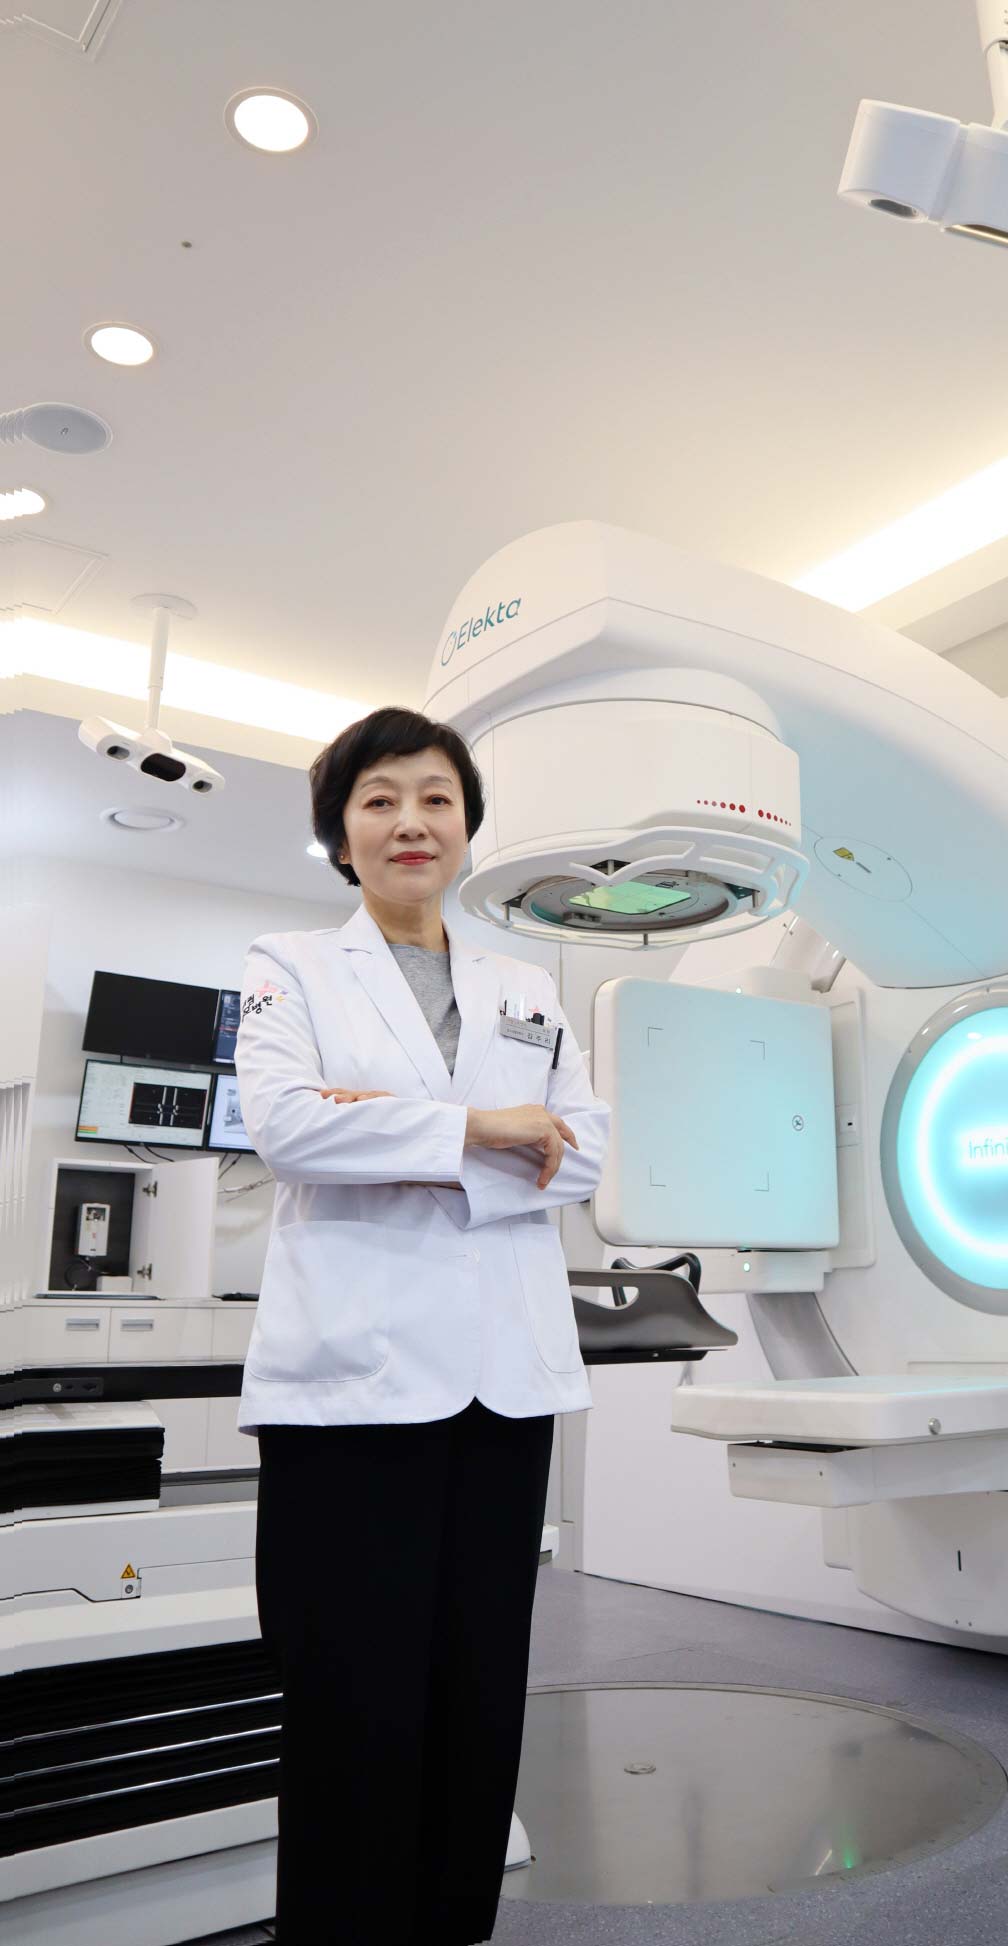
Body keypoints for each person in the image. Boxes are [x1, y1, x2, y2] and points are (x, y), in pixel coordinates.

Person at [234, 704, 611, 1946]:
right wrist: (481, 1128)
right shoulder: (289, 965)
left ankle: (453, 1925)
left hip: (504, 1382)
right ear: (340, 831)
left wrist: (394, 1129)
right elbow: (290, 1127)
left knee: (477, 1680)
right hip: (355, 1381)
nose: (412, 820)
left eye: (436, 797)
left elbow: (585, 1153)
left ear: (466, 825)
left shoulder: (525, 985)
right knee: (350, 1687)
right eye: (381, 797)